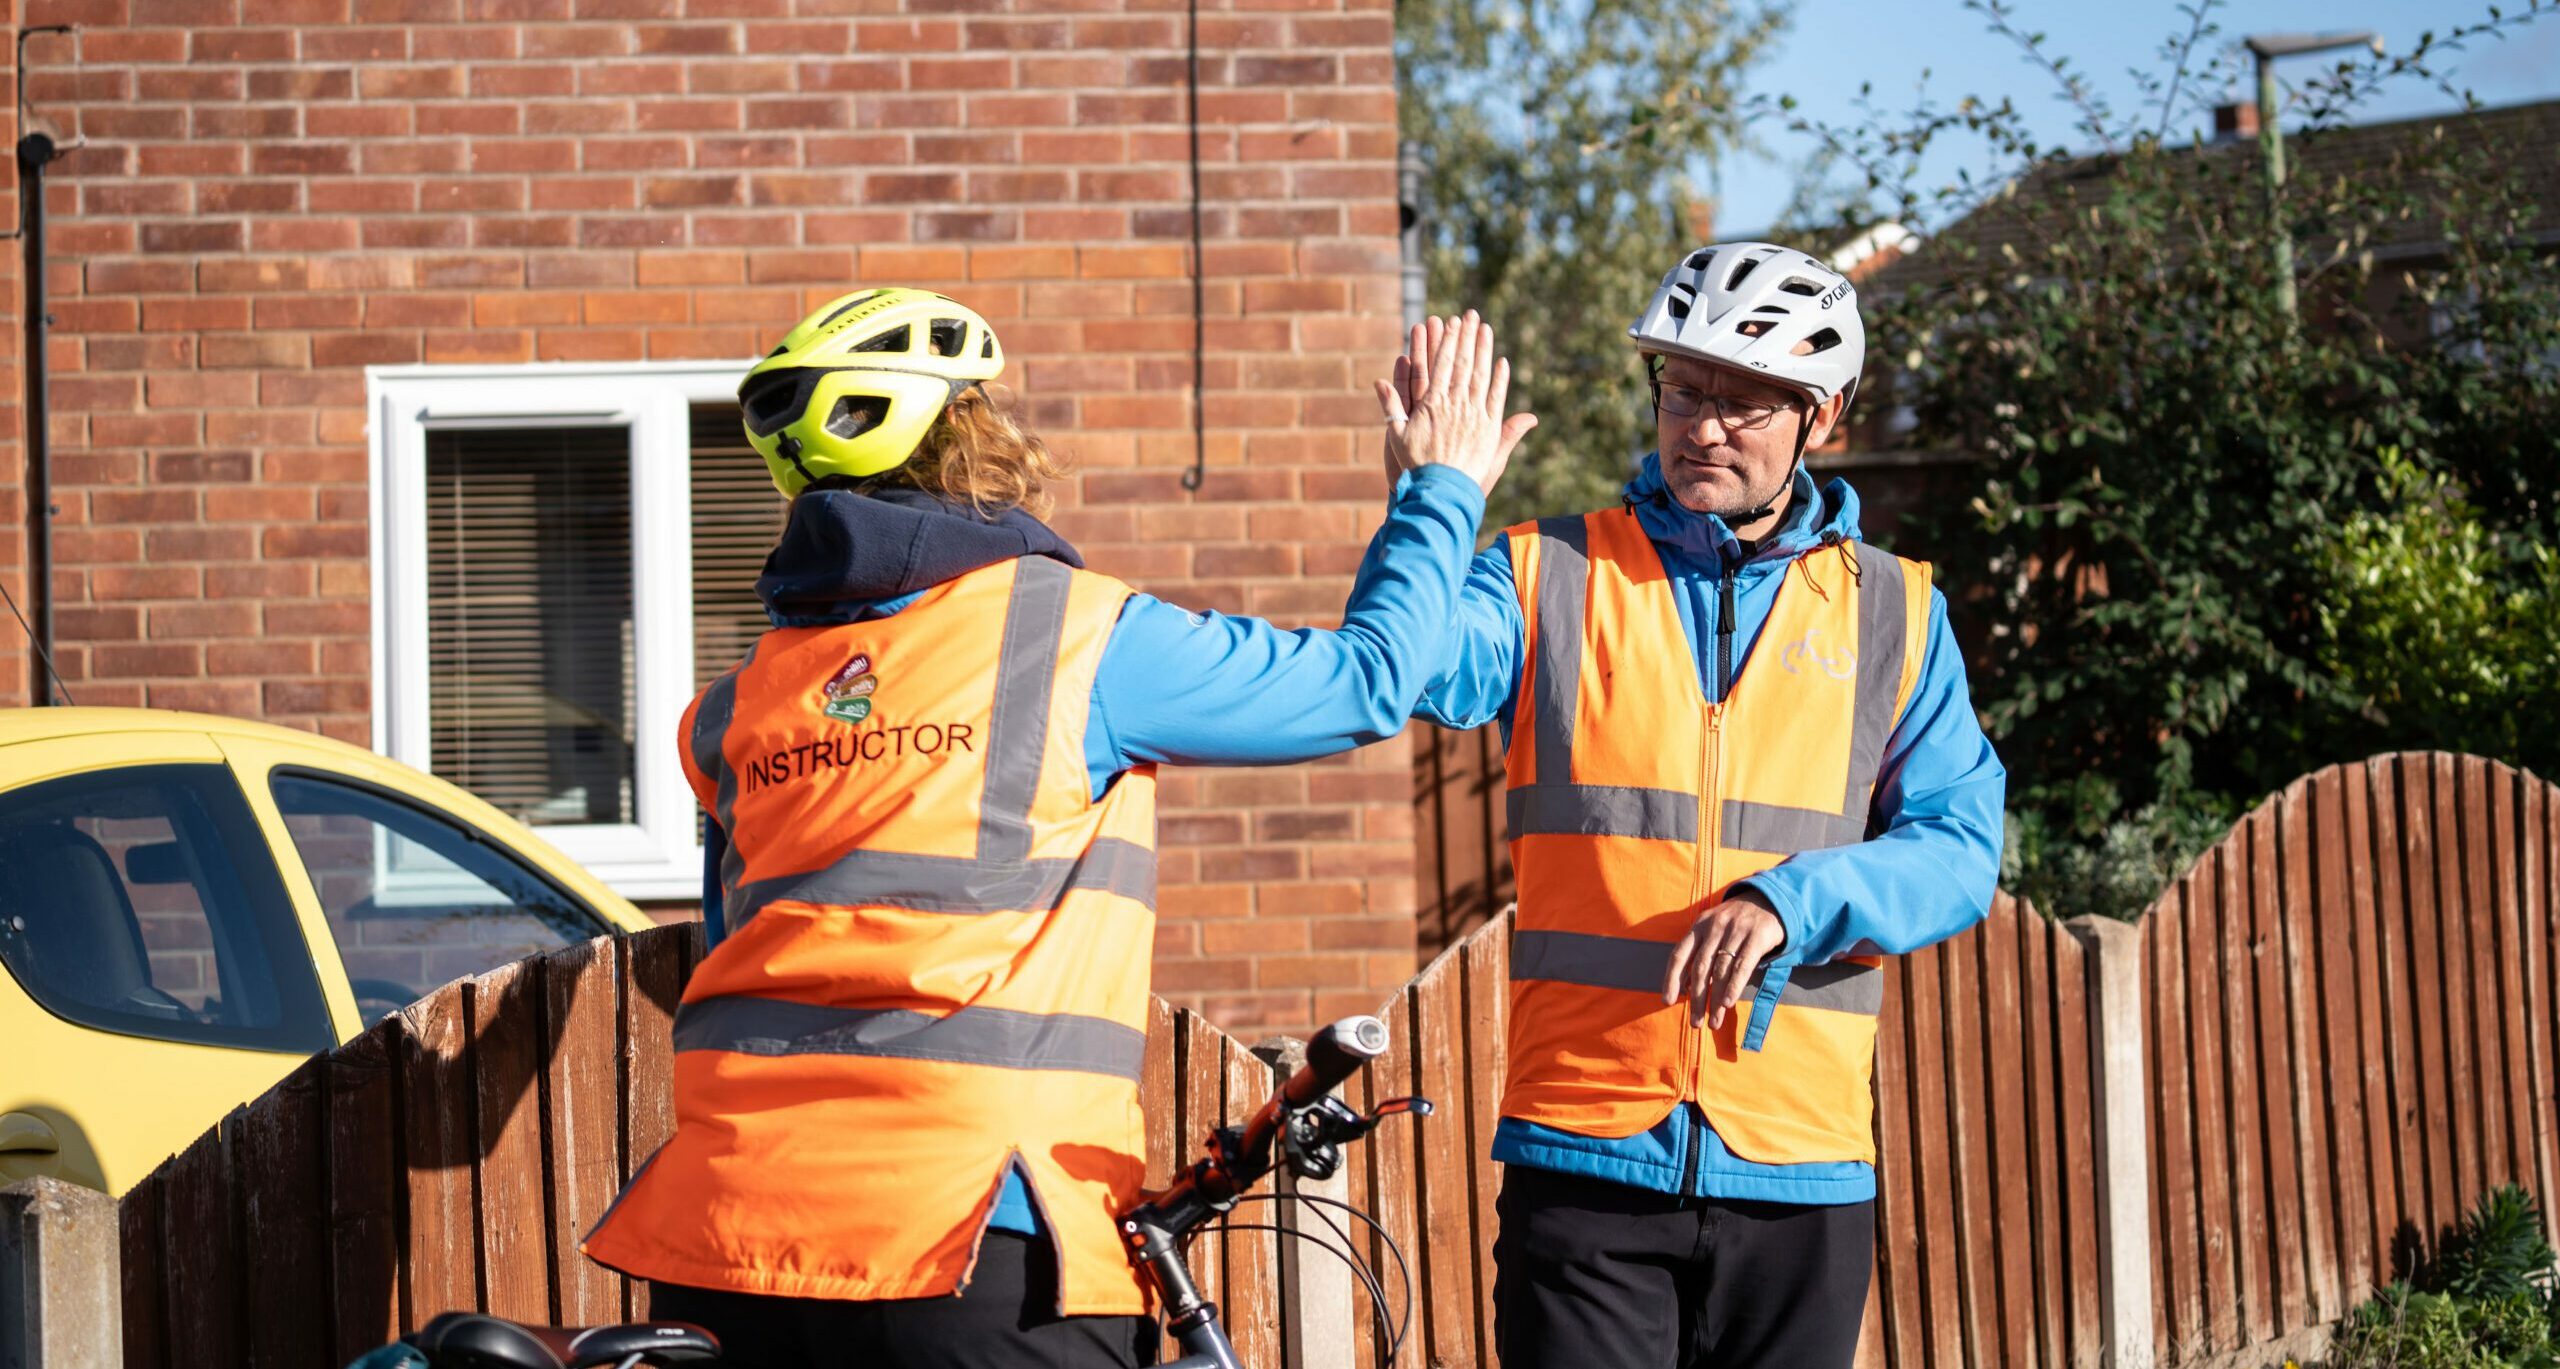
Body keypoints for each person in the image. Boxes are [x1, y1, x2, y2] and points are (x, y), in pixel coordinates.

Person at [578, 286, 1535, 1369]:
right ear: (975, 439)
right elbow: (1364, 685)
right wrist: (1438, 489)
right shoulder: (1071, 637)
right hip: (974, 1237)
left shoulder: (733, 711)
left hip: (732, 1238)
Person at [1401, 243, 2006, 1368]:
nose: (1702, 426)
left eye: (1740, 400)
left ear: (1818, 417)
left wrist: (1792, 901)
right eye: (1682, 389)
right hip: (1582, 1151)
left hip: (1799, 1161)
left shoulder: (1897, 613)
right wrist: (1435, 494)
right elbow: (1409, 669)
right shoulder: (1545, 571)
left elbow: (1960, 849)